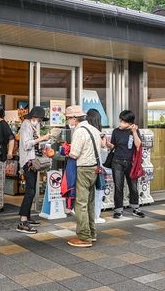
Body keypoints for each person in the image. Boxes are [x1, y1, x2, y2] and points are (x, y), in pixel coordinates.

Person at [66, 105, 101, 248]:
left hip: (83, 169)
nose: (68, 121)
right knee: (90, 203)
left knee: (80, 203)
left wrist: (65, 152)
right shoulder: (94, 129)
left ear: (74, 118)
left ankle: (84, 237)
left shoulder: (79, 131)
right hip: (94, 169)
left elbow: (74, 154)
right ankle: (91, 233)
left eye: (68, 118)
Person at [16, 106, 50, 234]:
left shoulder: (32, 126)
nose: (40, 121)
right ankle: (23, 221)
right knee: (30, 191)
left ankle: (27, 217)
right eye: (39, 119)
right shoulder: (26, 125)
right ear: (33, 117)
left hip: (32, 161)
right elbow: (26, 144)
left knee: (32, 190)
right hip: (28, 162)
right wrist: (42, 138)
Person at [107, 110, 146, 219]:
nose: (121, 123)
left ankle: (135, 208)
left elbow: (138, 145)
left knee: (133, 186)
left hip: (131, 163)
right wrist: (107, 144)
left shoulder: (134, 131)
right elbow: (113, 146)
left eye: (123, 121)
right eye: (121, 120)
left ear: (130, 123)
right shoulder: (116, 131)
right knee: (118, 186)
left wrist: (134, 132)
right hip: (117, 162)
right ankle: (118, 209)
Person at [86, 108, 107, 224]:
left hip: (85, 165)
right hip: (96, 166)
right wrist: (104, 143)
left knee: (87, 192)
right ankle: (95, 216)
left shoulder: (84, 130)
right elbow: (103, 150)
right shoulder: (98, 132)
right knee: (98, 191)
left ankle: (88, 215)